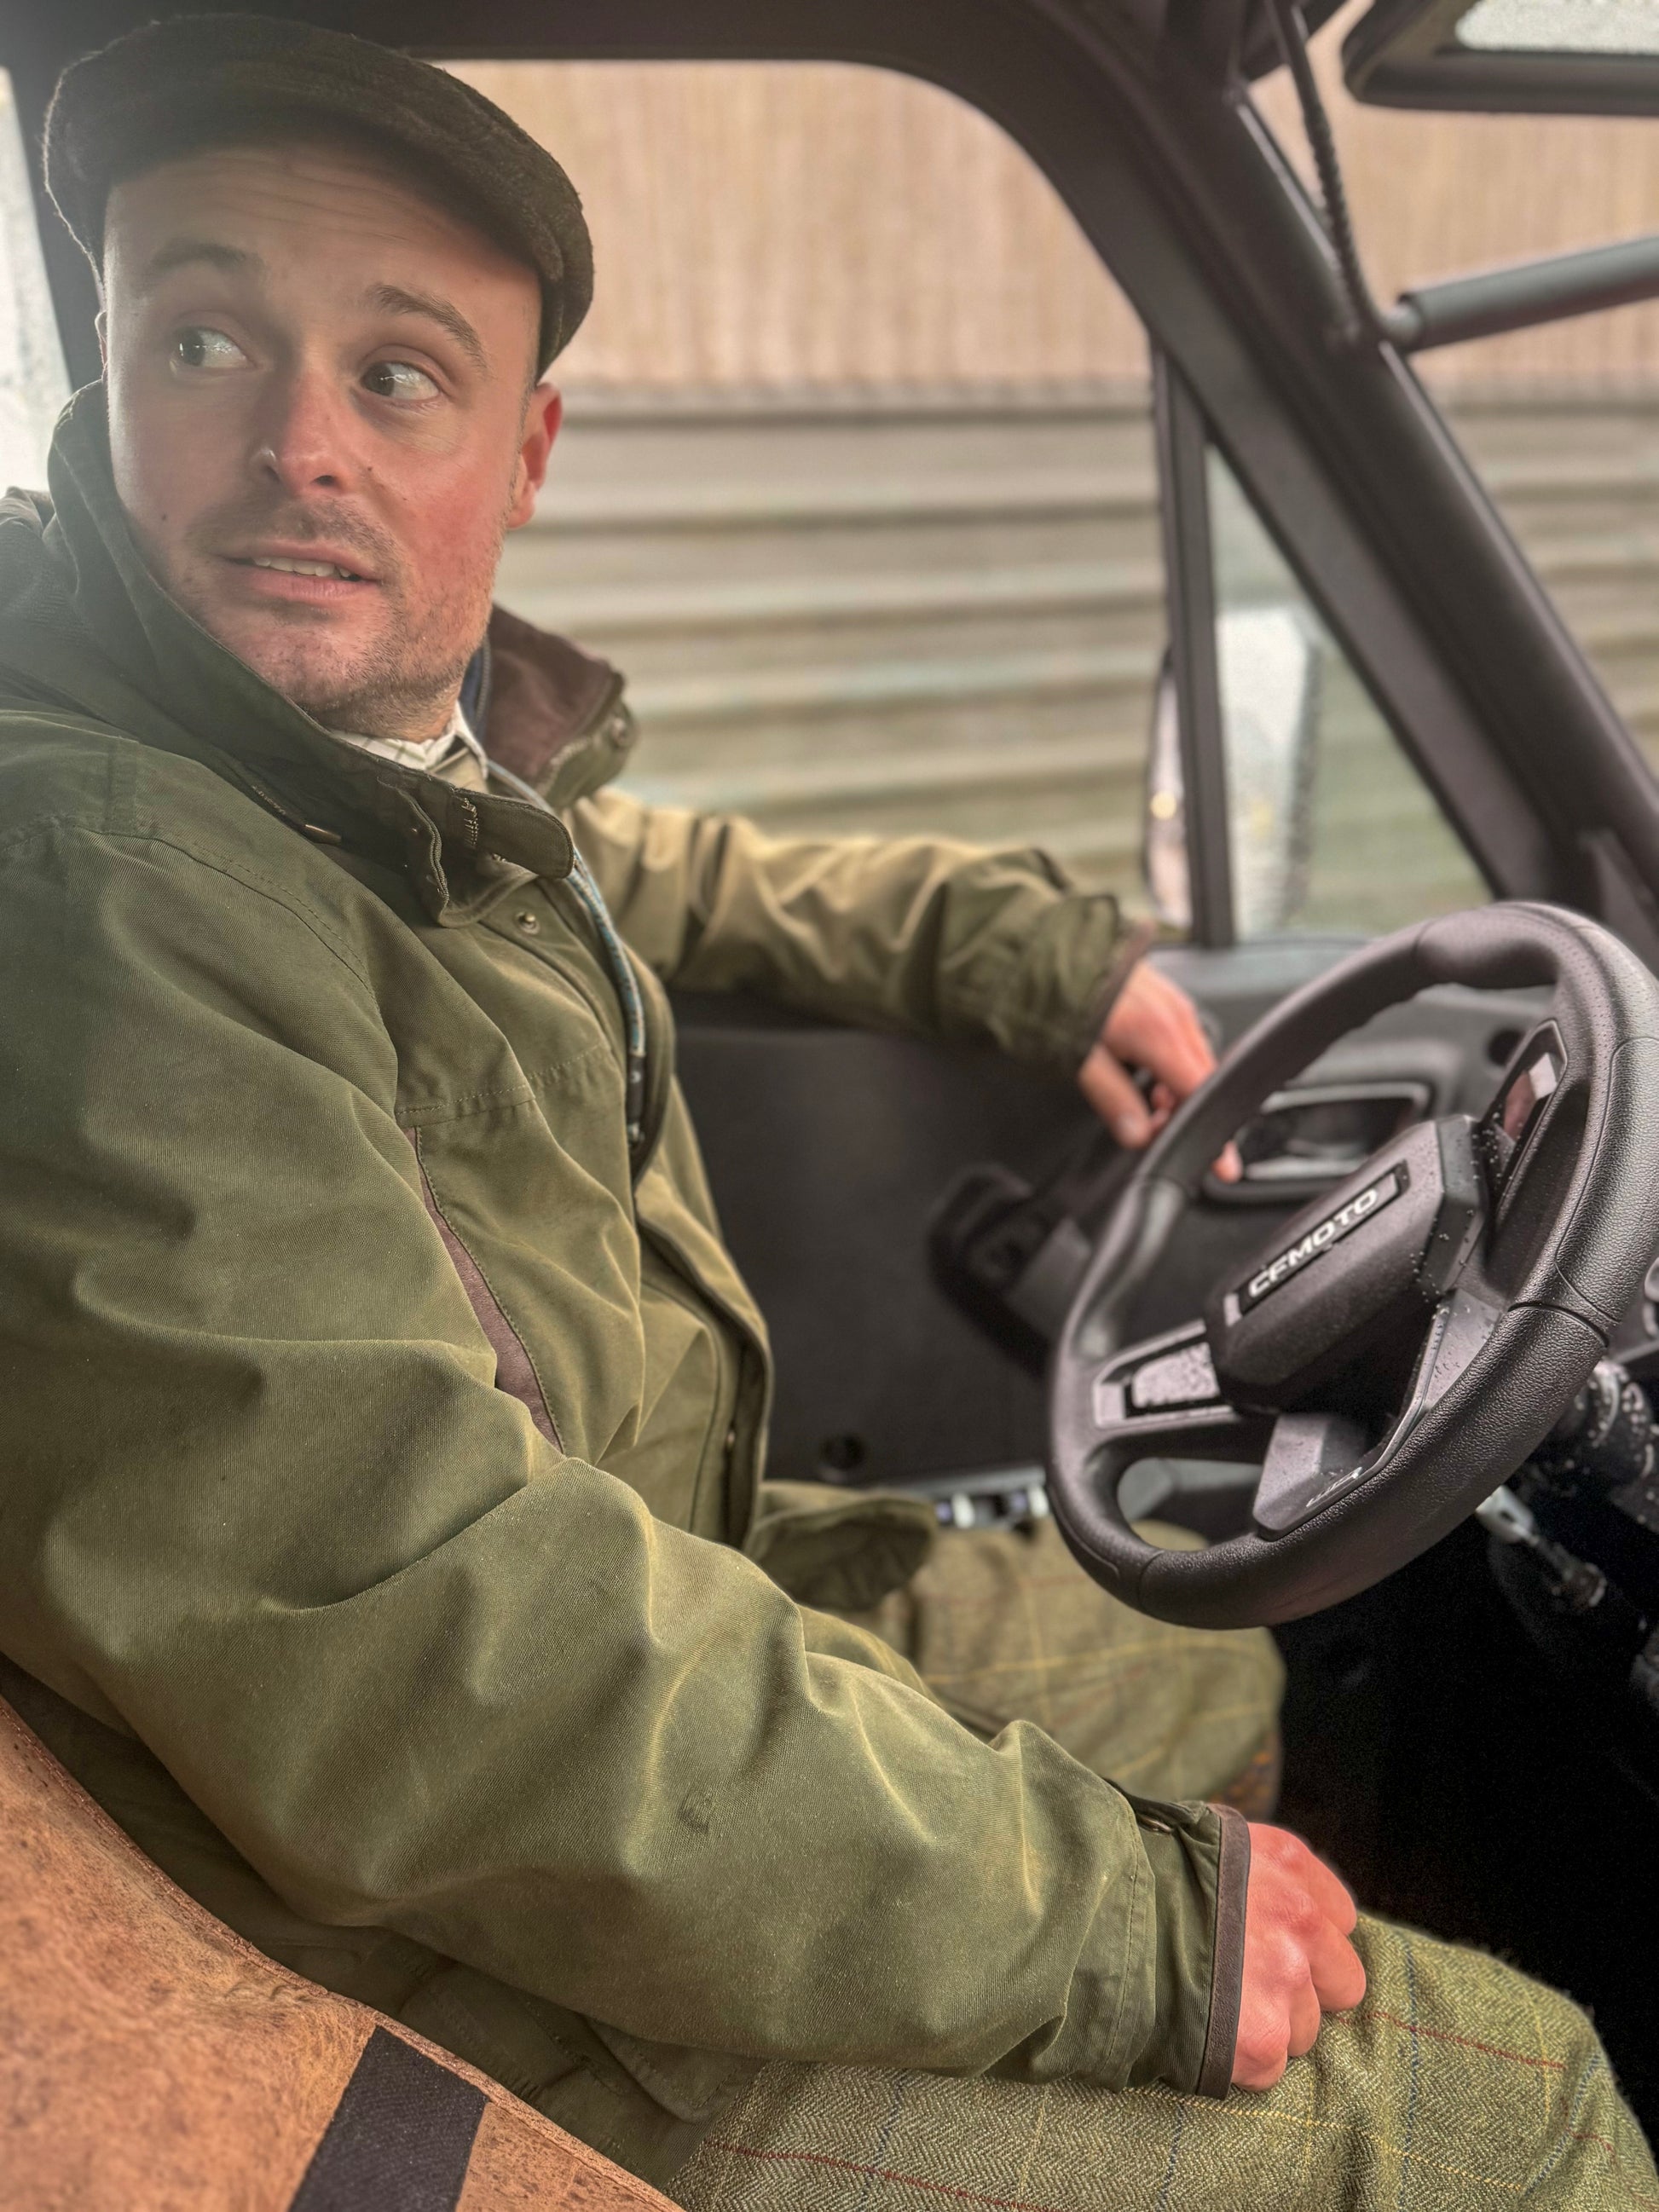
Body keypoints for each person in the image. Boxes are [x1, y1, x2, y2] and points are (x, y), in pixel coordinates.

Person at [0, 15, 1648, 2207]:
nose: (298, 440)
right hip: (446, 1955)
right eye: (207, 338)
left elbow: (640, 870)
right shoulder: (98, 897)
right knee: (1520, 2106)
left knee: (1331, 1644)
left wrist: (1031, 950)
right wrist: (1126, 1922)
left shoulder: (370, 793)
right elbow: (426, 1653)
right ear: (108, 386)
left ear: (525, 450)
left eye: (397, 373)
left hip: (682, 1599)